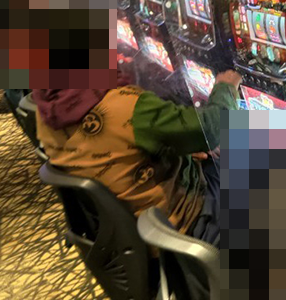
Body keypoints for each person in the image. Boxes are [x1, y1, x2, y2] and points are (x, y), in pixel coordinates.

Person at [33, 69, 242, 248]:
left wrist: (176, 147)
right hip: (187, 224)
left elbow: (118, 151)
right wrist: (225, 86)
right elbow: (213, 128)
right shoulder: (125, 105)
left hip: (133, 233)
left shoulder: (46, 112)